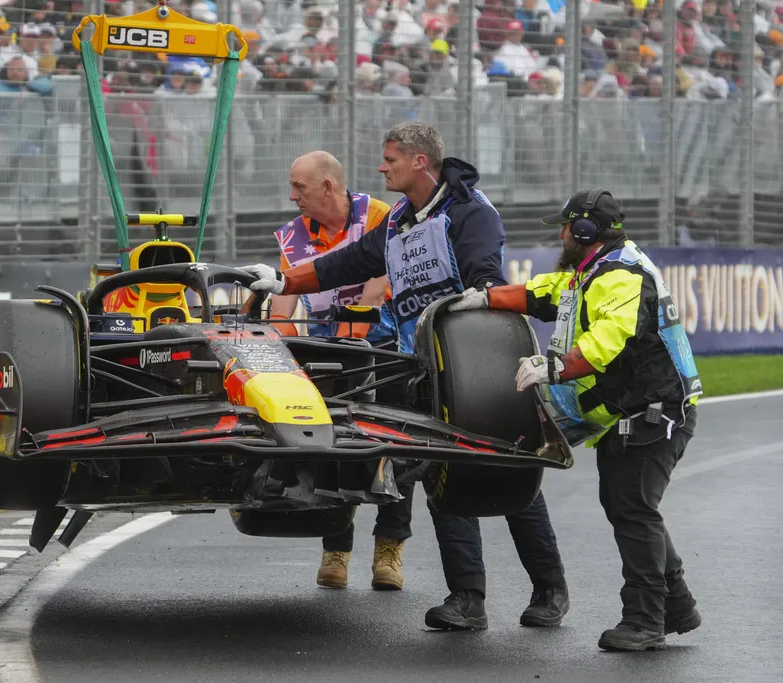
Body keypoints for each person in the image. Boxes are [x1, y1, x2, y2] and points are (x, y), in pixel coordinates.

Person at [241, 121, 570, 630]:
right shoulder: (398, 220)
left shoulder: (470, 211)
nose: (380, 167)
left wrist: (478, 293)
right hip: (423, 367)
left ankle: (549, 589)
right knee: (443, 475)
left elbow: (486, 276)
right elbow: (347, 262)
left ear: (419, 162)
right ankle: (467, 598)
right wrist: (286, 278)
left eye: (390, 158)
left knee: (508, 471)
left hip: (480, 366)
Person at [448, 187, 702, 652]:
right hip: (636, 409)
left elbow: (609, 339)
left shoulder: (622, 276)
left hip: (657, 410)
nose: (560, 235)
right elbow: (540, 293)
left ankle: (645, 619)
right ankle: (677, 603)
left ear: (584, 231)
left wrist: (554, 367)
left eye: (564, 227)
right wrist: (483, 299)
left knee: (631, 508)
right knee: (626, 504)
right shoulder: (592, 270)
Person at [270, 150, 408, 592]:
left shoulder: (380, 215)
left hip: (384, 349)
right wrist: (272, 341)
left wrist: (354, 331)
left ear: (328, 186)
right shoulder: (293, 234)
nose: (293, 196)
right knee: (328, 446)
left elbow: (377, 282)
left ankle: (389, 549)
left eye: (300, 187)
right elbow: (285, 296)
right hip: (329, 350)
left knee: (393, 447)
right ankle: (336, 550)